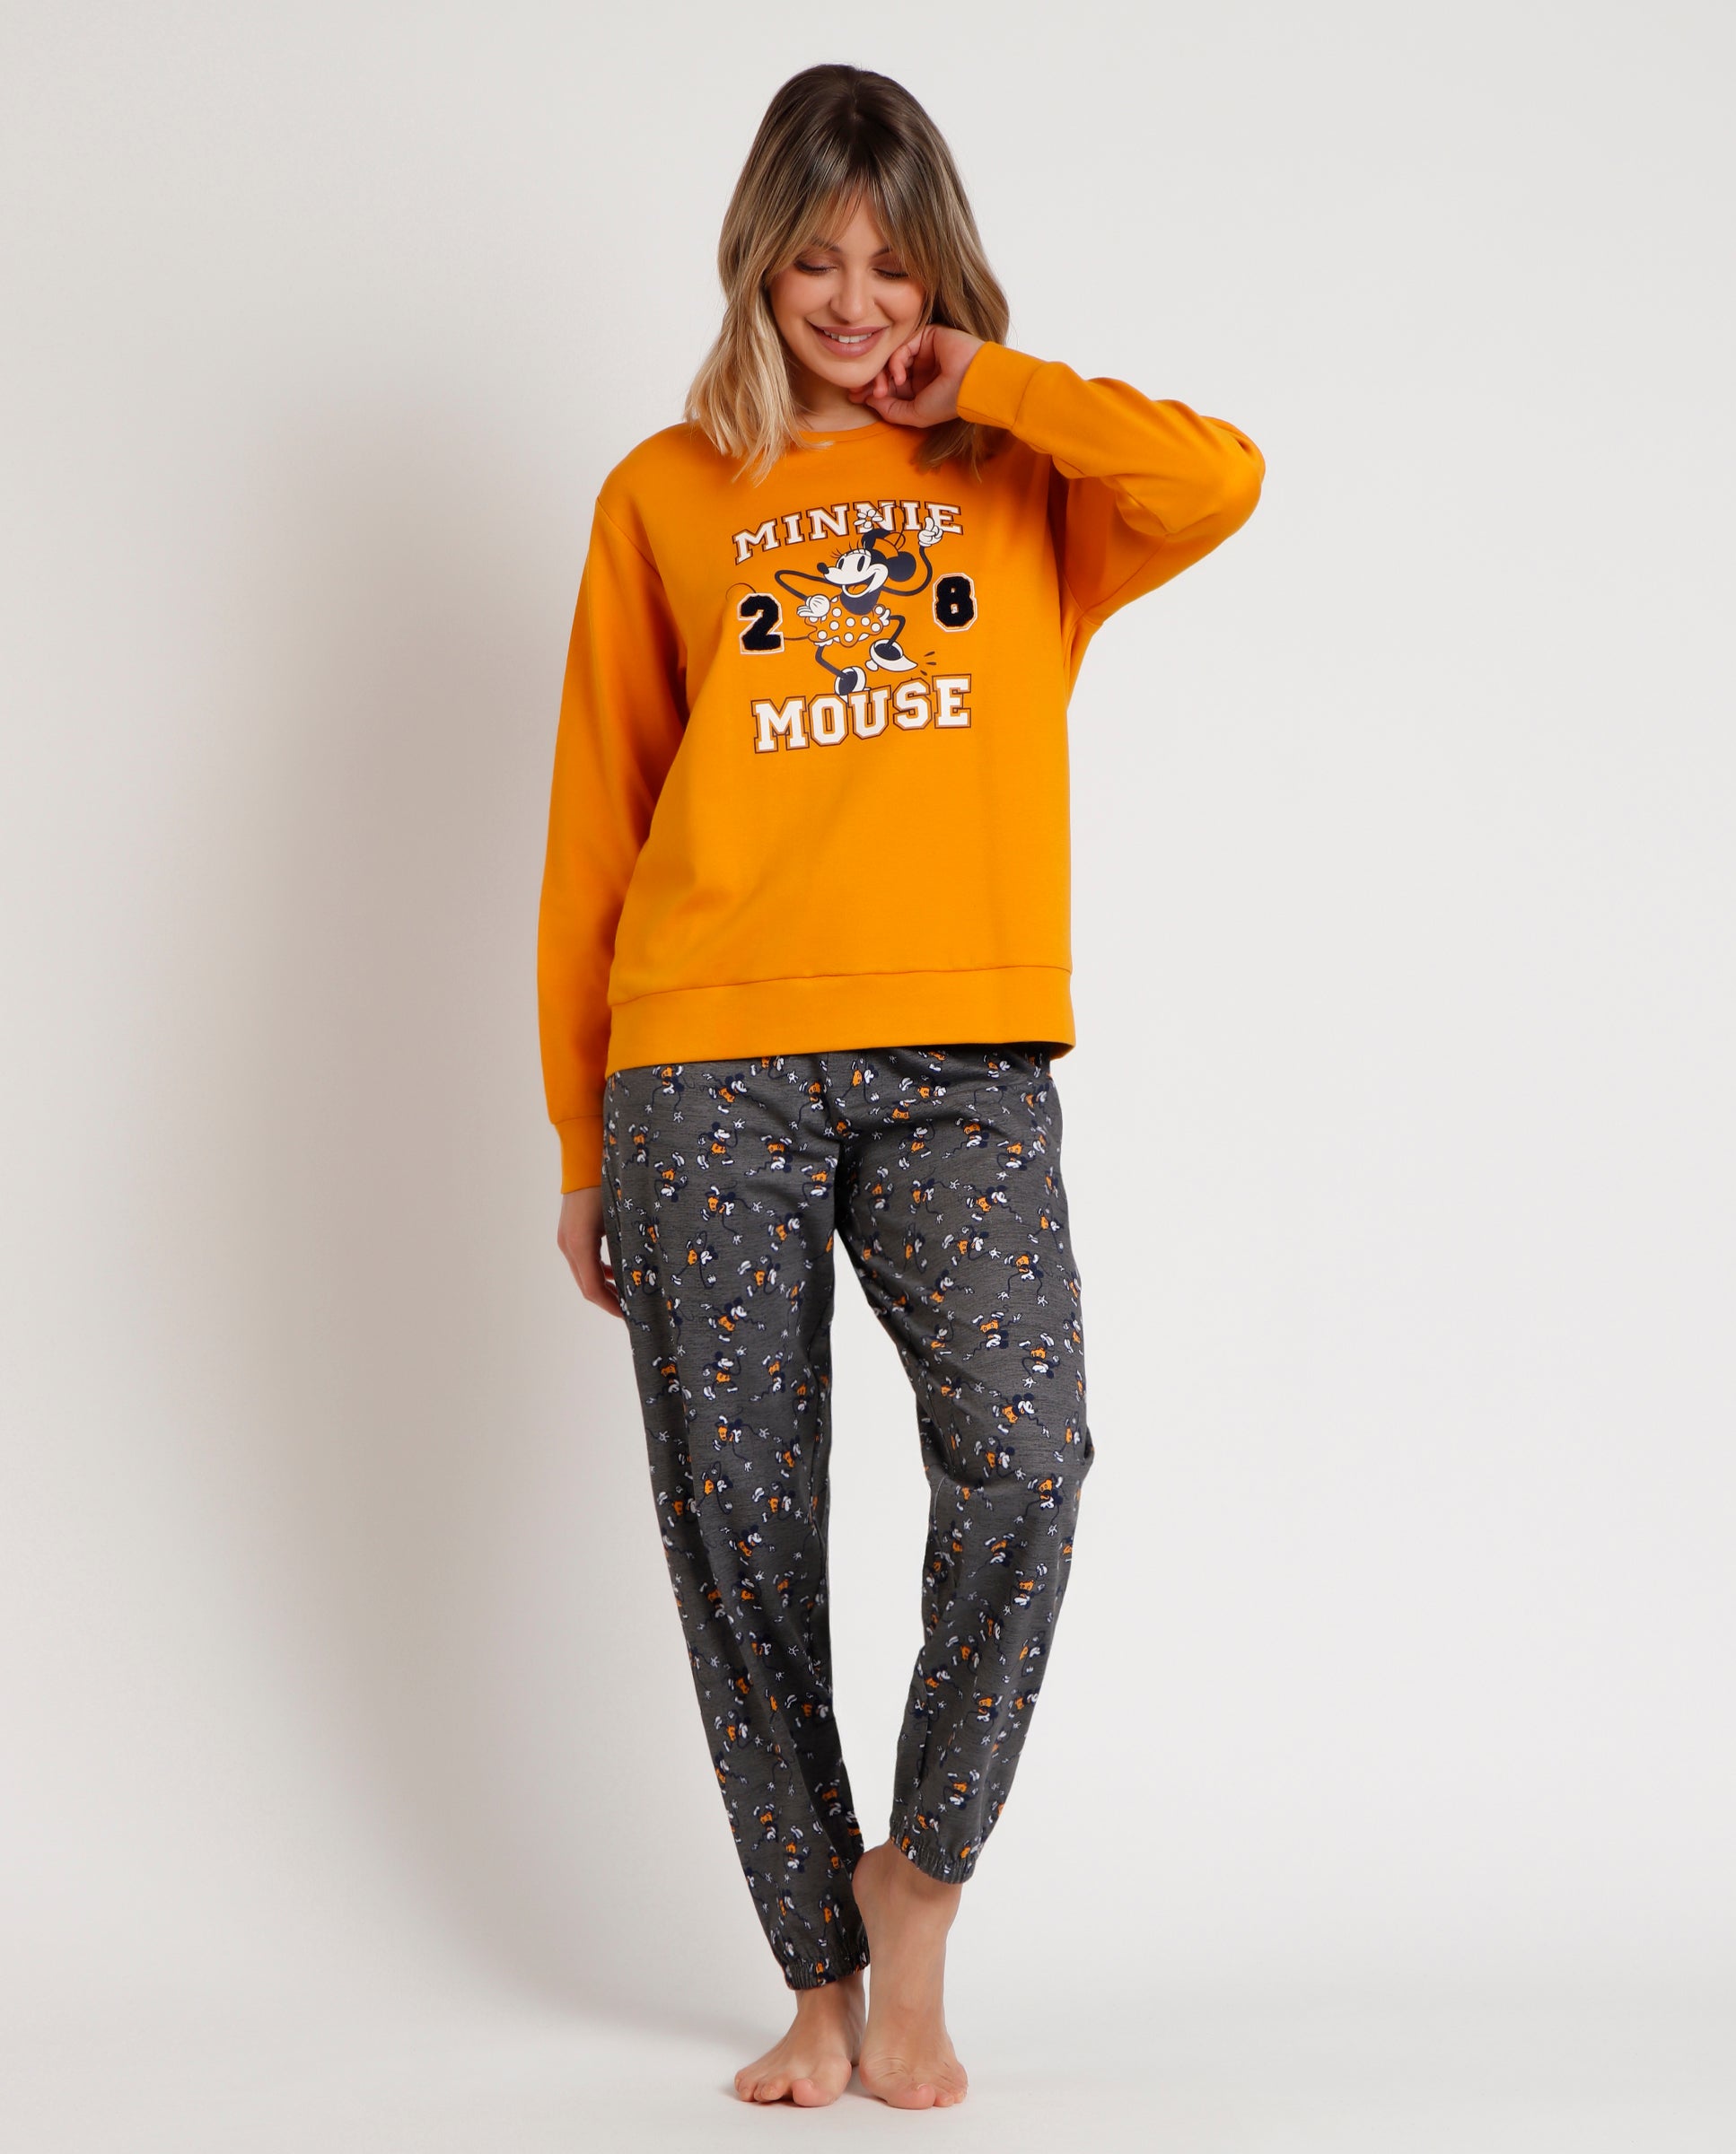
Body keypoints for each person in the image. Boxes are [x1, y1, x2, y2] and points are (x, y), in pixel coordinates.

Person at [539, 62, 1262, 2109]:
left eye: (892, 262)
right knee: (740, 1525)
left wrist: (991, 383)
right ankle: (819, 1983)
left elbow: (1220, 480)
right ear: (754, 266)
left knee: (1024, 1462)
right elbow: (598, 820)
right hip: (702, 1061)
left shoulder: (1024, 479)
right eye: (815, 261)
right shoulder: (662, 495)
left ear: (941, 272)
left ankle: (914, 1890)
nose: (853, 302)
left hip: (959, 1051)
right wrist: (581, 1136)